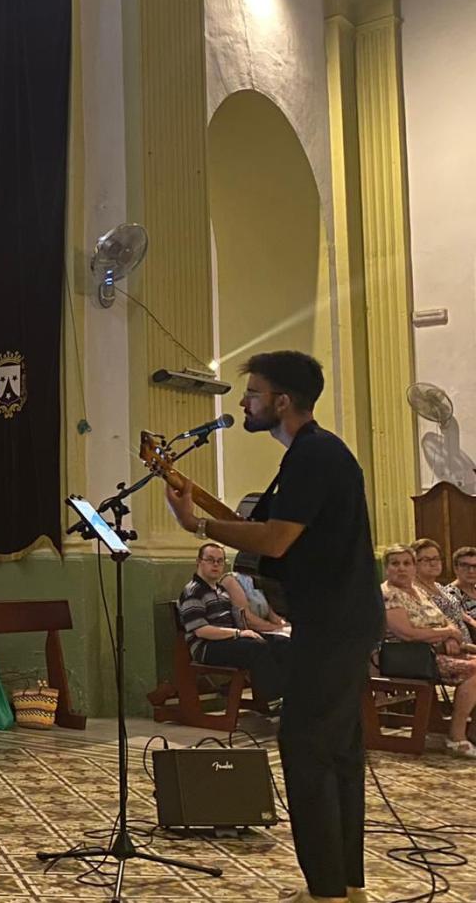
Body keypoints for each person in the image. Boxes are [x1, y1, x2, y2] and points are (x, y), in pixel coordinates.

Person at [166, 351, 383, 903]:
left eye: (254, 393)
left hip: (332, 622)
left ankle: (326, 893)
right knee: (337, 752)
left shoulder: (314, 454)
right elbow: (270, 532)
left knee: (306, 747)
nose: (244, 402)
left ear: (282, 401)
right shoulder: (310, 454)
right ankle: (345, 886)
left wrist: (198, 524)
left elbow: (276, 539)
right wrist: (202, 514)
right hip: (337, 619)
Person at [380, 544, 476, 755]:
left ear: (414, 567)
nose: (401, 568)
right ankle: (456, 737)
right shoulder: (388, 594)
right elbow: (408, 633)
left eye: (407, 563)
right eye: (395, 564)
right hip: (408, 658)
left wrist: (449, 635)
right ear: (386, 568)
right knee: (475, 669)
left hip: (435, 651)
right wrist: (446, 633)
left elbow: (443, 620)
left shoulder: (418, 591)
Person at [176, 543, 289, 703]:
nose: (216, 565)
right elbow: (202, 630)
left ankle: (289, 695)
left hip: (229, 640)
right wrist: (238, 633)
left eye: (220, 561)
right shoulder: (193, 591)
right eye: (210, 560)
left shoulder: (221, 591)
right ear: (199, 562)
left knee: (281, 643)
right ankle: (271, 700)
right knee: (257, 648)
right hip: (206, 647)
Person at [413, 538, 476, 641]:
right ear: (414, 563)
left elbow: (462, 615)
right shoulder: (414, 590)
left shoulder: (439, 586)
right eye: (426, 560)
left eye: (436, 558)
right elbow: (425, 625)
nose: (433, 563)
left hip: (466, 642)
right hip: (445, 644)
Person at [447, 546, 476, 621]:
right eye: (465, 566)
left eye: (475, 566)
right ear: (455, 568)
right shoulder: (448, 595)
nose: (471, 571)